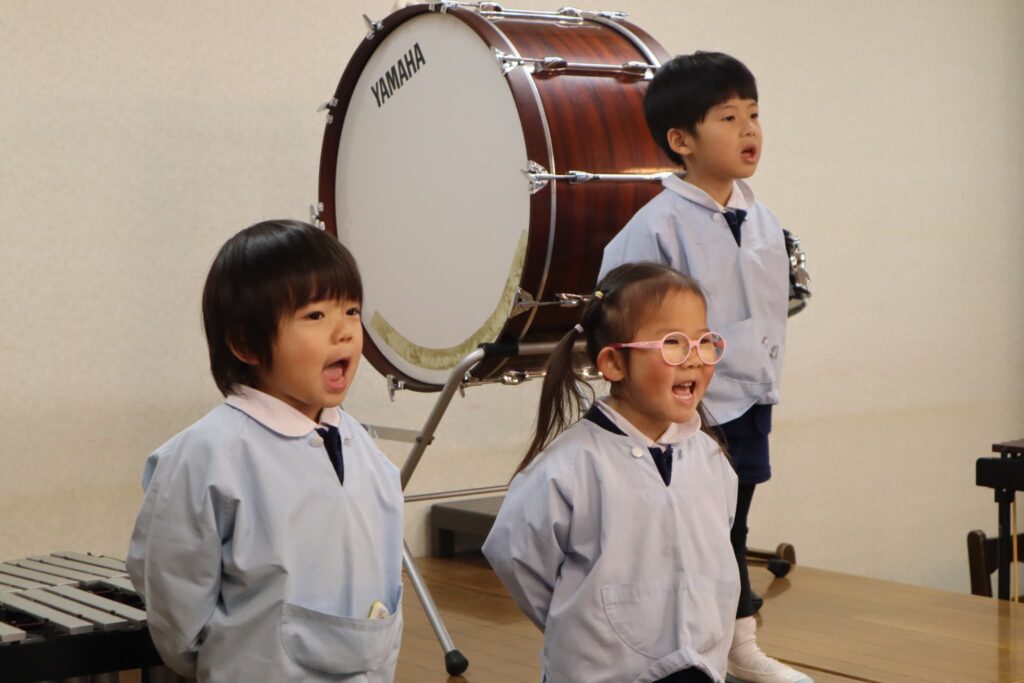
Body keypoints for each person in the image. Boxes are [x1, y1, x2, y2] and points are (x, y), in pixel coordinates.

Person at [598, 52, 810, 683]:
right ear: (681, 141)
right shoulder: (656, 226)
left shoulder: (763, 219)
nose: (749, 130)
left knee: (733, 524)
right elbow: (625, 325)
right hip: (689, 408)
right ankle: (701, 648)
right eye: (728, 117)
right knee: (693, 531)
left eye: (754, 115)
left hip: (751, 395)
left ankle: (736, 646)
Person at [126, 220, 403, 682]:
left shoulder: (364, 449)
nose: (344, 332)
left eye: (352, 310)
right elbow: (175, 599)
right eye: (315, 315)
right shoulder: (208, 454)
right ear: (246, 343)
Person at [484, 262, 739, 683]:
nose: (694, 359)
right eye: (672, 343)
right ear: (615, 363)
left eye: (704, 341)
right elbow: (516, 554)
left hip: (700, 666)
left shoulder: (711, 459)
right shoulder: (571, 466)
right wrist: (580, 616)